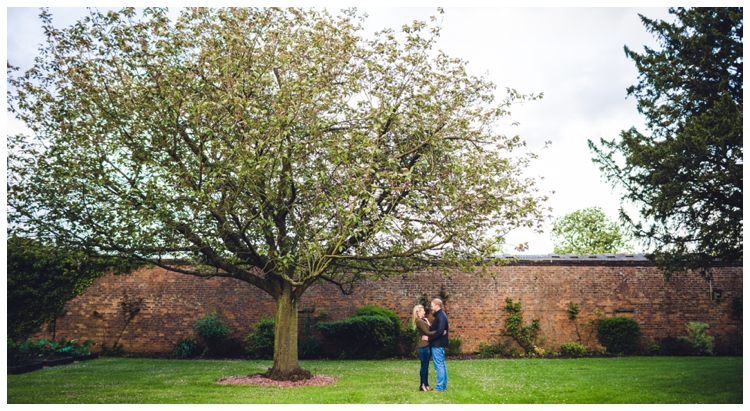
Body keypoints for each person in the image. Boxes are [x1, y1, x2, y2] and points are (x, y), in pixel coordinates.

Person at [422, 298, 448, 392]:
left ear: (437, 306)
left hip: (438, 345)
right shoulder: (440, 316)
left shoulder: (440, 316)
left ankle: (439, 387)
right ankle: (443, 386)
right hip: (439, 344)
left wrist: (428, 338)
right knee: (442, 365)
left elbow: (440, 331)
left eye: (432, 306)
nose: (431, 308)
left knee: (439, 366)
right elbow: (439, 330)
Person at [411, 304, 436, 392]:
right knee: (424, 366)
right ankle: (422, 385)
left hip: (426, 345)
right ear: (418, 312)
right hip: (424, 346)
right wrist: (439, 331)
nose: (425, 312)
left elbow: (429, 329)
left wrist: (427, 321)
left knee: (426, 366)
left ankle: (426, 384)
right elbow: (427, 332)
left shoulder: (423, 320)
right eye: (423, 311)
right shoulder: (419, 321)